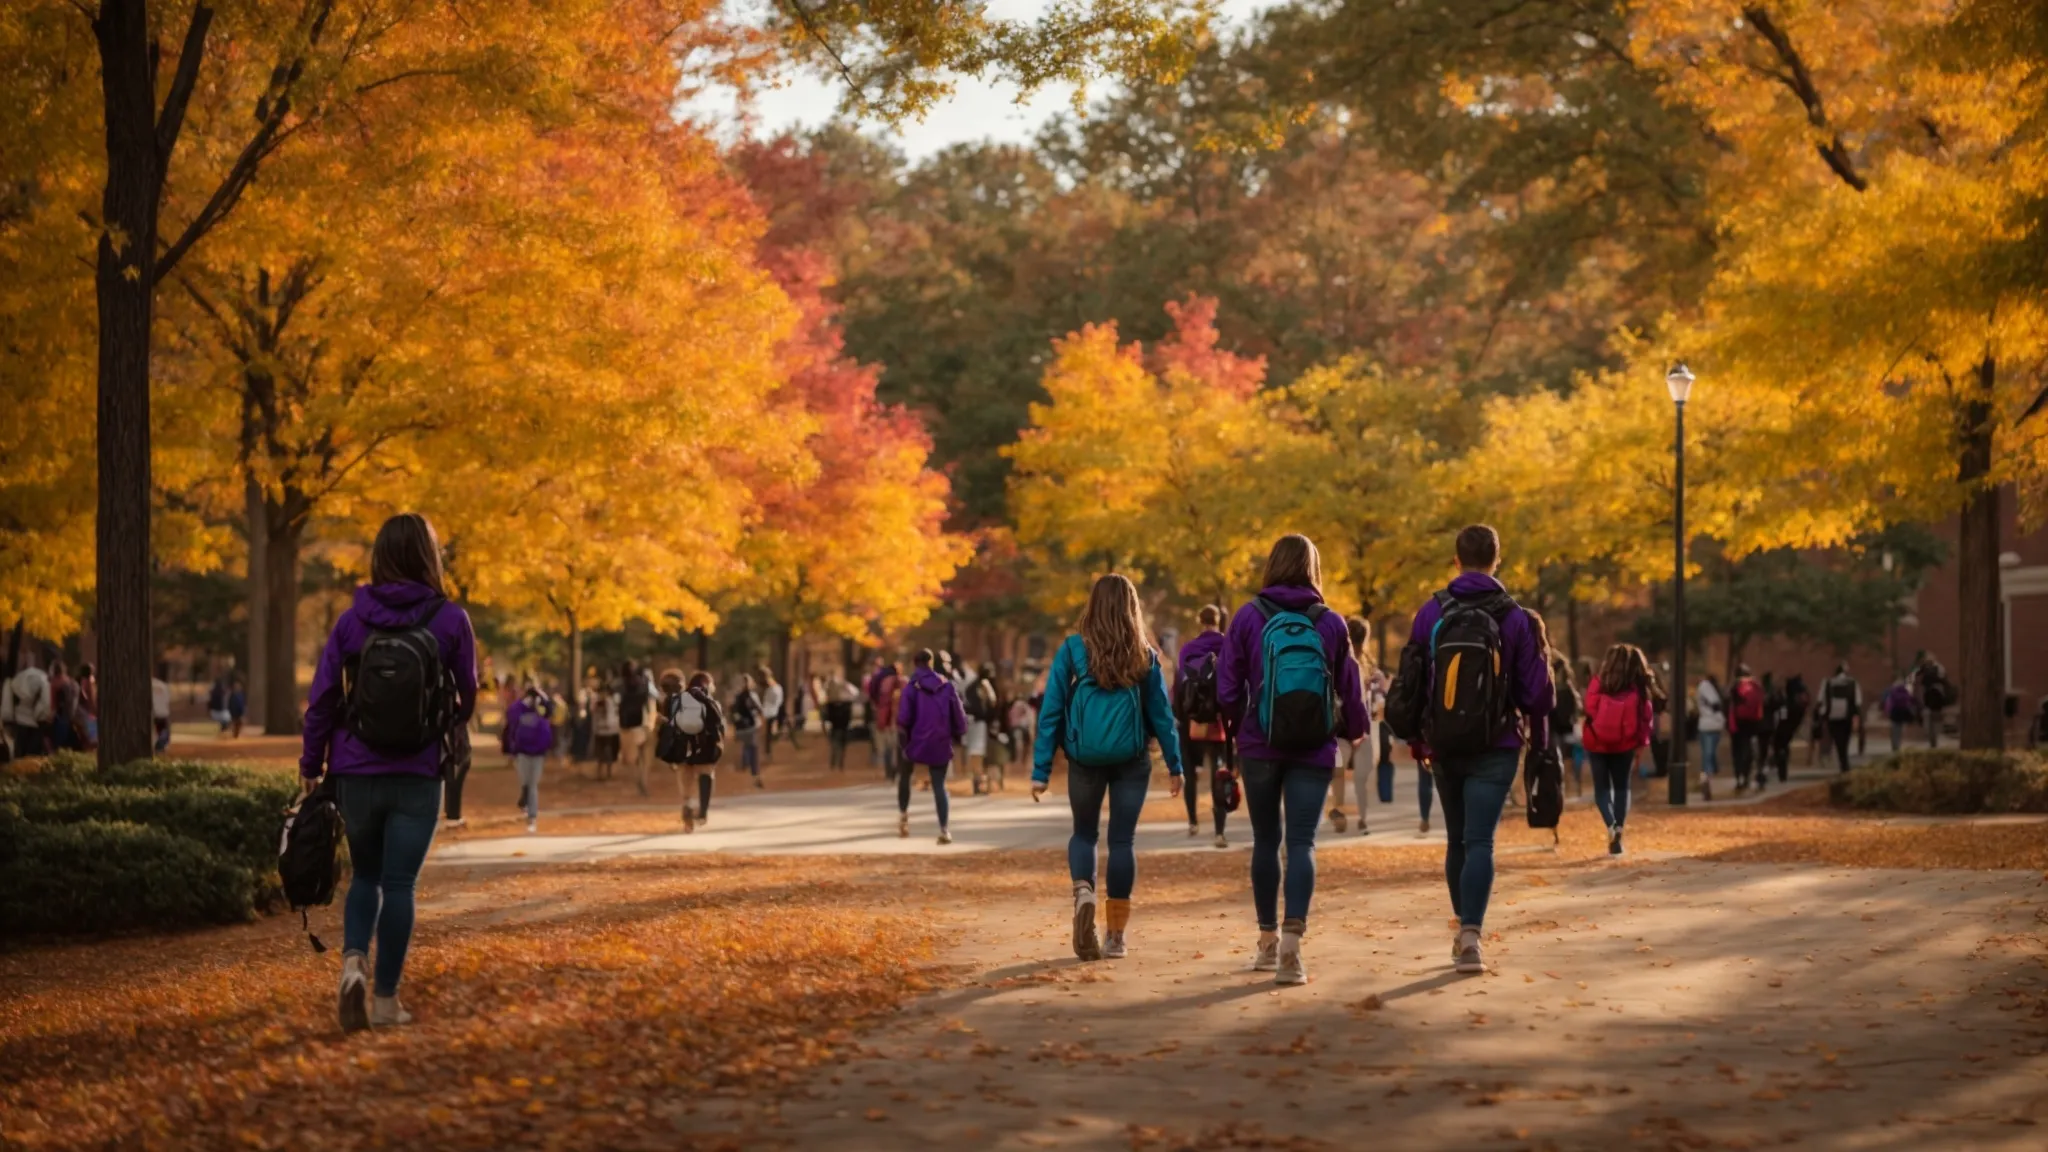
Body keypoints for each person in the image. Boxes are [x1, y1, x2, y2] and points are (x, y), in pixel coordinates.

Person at [300, 512, 478, 1032]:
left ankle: (353, 961)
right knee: (399, 884)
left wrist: (313, 763)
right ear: (430, 556)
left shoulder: (353, 620)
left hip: (356, 768)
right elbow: (466, 698)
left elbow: (323, 698)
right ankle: (384, 1002)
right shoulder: (449, 619)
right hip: (419, 772)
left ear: (380, 556)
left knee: (366, 876)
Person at [1402, 525, 1554, 976]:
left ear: (1456, 560)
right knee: (1480, 840)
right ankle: (1471, 934)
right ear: (1497, 560)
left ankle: (1463, 931)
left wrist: (1418, 739)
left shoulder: (1430, 613)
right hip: (1497, 743)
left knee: (1457, 840)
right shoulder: (1516, 617)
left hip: (1444, 745)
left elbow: (1412, 686)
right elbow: (1537, 698)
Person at [1218, 535, 1369, 986]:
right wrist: (1353, 729)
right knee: (1301, 844)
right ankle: (1291, 948)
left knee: (1267, 841)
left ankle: (1265, 940)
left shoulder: (1247, 617)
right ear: (1313, 569)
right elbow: (1350, 685)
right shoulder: (1331, 622)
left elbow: (1226, 690)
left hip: (1259, 744)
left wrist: (1237, 727)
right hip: (1314, 747)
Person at [1033, 573, 1183, 960]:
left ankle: (1083, 890)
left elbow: (1051, 710)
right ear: (1132, 608)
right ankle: (1115, 936)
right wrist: (1175, 764)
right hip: (1131, 759)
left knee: (1084, 834)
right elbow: (1162, 716)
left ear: (1093, 605)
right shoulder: (1144, 654)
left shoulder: (1072, 649)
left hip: (1084, 758)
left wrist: (1041, 768)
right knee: (1121, 841)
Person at [1581, 644, 1653, 855]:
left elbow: (1590, 708)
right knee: (1622, 788)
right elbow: (1645, 718)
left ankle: (1611, 825)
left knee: (1601, 789)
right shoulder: (1637, 688)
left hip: (1597, 743)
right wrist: (1641, 744)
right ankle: (1619, 833)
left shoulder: (1598, 682)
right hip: (1625, 744)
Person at [1174, 605, 1233, 847]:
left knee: (1190, 773)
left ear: (1200, 621)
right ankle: (1219, 831)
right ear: (1218, 621)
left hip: (1191, 722)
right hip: (1220, 721)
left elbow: (1178, 689)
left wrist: (1182, 716)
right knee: (1219, 774)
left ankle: (1193, 821)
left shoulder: (1188, 649)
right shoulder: (1228, 646)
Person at [898, 649, 968, 843]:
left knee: (905, 775)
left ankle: (903, 816)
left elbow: (903, 718)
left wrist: (904, 739)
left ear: (915, 663)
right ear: (931, 662)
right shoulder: (947, 687)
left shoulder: (911, 687)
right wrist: (958, 734)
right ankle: (944, 830)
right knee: (939, 784)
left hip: (915, 741)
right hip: (940, 740)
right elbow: (959, 717)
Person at [1329, 616, 1376, 835]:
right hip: (1357, 731)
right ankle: (1364, 819)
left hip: (1336, 731)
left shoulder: (1328, 659)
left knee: (1337, 771)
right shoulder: (1354, 665)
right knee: (1361, 777)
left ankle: (1338, 808)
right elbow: (1357, 701)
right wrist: (1360, 732)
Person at [616, 660, 656, 795]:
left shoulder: (620, 686)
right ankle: (643, 780)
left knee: (633, 759)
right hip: (642, 723)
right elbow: (653, 697)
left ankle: (639, 780)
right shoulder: (644, 683)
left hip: (627, 725)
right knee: (646, 755)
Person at [2, 654, 52, 757]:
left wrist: (8, 718)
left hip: (20, 720)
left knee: (19, 752)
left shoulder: (15, 680)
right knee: (33, 754)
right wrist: (39, 716)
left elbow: (8, 703)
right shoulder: (42, 678)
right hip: (35, 723)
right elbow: (46, 702)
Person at [1729, 664, 1766, 793]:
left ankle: (1740, 777)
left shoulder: (1735, 686)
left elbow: (1730, 705)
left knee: (1739, 750)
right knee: (1752, 749)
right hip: (1755, 722)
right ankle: (1756, 774)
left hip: (1739, 723)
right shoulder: (1756, 685)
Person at [963, 662, 999, 794]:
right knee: (978, 755)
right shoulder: (983, 685)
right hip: (980, 724)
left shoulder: (973, 687)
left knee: (978, 755)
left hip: (980, 724)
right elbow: (993, 703)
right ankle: (979, 783)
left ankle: (981, 783)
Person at [1820, 663, 1862, 774]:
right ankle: (1844, 764)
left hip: (1832, 717)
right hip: (1847, 716)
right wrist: (1857, 716)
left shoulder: (1827, 682)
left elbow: (1821, 700)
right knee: (1845, 740)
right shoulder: (1852, 683)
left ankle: (1843, 762)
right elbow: (1858, 701)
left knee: (1838, 741)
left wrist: (1822, 716)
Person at [1913, 653, 1954, 749]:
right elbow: (1945, 681)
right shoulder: (1939, 669)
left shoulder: (1927, 670)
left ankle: (1932, 739)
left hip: (1930, 699)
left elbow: (1918, 676)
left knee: (1930, 719)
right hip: (1936, 699)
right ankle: (1934, 739)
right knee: (1935, 719)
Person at [1774, 673, 1810, 782]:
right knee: (1784, 745)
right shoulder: (1800, 691)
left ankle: (1782, 770)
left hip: (1785, 724)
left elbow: (1782, 715)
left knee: (1780, 745)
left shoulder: (1788, 699)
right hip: (1794, 722)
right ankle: (1783, 768)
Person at [1695, 673, 1725, 800]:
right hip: (1715, 724)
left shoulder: (1703, 686)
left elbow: (1713, 703)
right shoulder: (1712, 688)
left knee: (1707, 754)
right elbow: (1716, 704)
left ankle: (1706, 777)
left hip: (1706, 724)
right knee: (1710, 754)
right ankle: (1708, 777)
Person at [730, 674, 764, 787]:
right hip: (750, 726)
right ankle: (754, 774)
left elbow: (733, 712)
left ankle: (746, 767)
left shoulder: (737, 696)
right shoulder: (751, 696)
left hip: (743, 727)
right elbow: (759, 709)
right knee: (752, 749)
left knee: (746, 747)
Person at [824, 668, 858, 770]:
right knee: (841, 739)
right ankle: (838, 762)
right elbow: (855, 693)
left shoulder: (833, 687)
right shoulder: (843, 686)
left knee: (836, 737)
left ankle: (835, 761)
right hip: (842, 714)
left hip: (837, 714)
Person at [590, 677, 621, 780]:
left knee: (609, 752)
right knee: (601, 753)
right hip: (602, 730)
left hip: (611, 730)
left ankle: (608, 772)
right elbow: (593, 712)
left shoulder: (612, 701)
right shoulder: (597, 701)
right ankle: (600, 772)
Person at [1883, 677, 1918, 752]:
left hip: (1895, 713)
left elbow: (1889, 704)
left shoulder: (1892, 692)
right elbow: (1911, 701)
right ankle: (1898, 744)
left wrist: (1887, 712)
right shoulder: (1905, 692)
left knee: (1894, 729)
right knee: (1900, 729)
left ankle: (1894, 744)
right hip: (1902, 713)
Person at [758, 668, 786, 762]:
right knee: (767, 736)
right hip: (768, 712)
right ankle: (767, 753)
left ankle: (768, 753)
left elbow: (776, 703)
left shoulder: (775, 689)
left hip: (771, 713)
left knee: (768, 735)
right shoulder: (770, 689)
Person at [151, 665, 172, 753]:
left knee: (155, 732)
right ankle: (161, 746)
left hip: (154, 712)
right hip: (163, 712)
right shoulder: (163, 685)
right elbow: (167, 699)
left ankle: (157, 746)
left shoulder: (150, 684)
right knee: (163, 730)